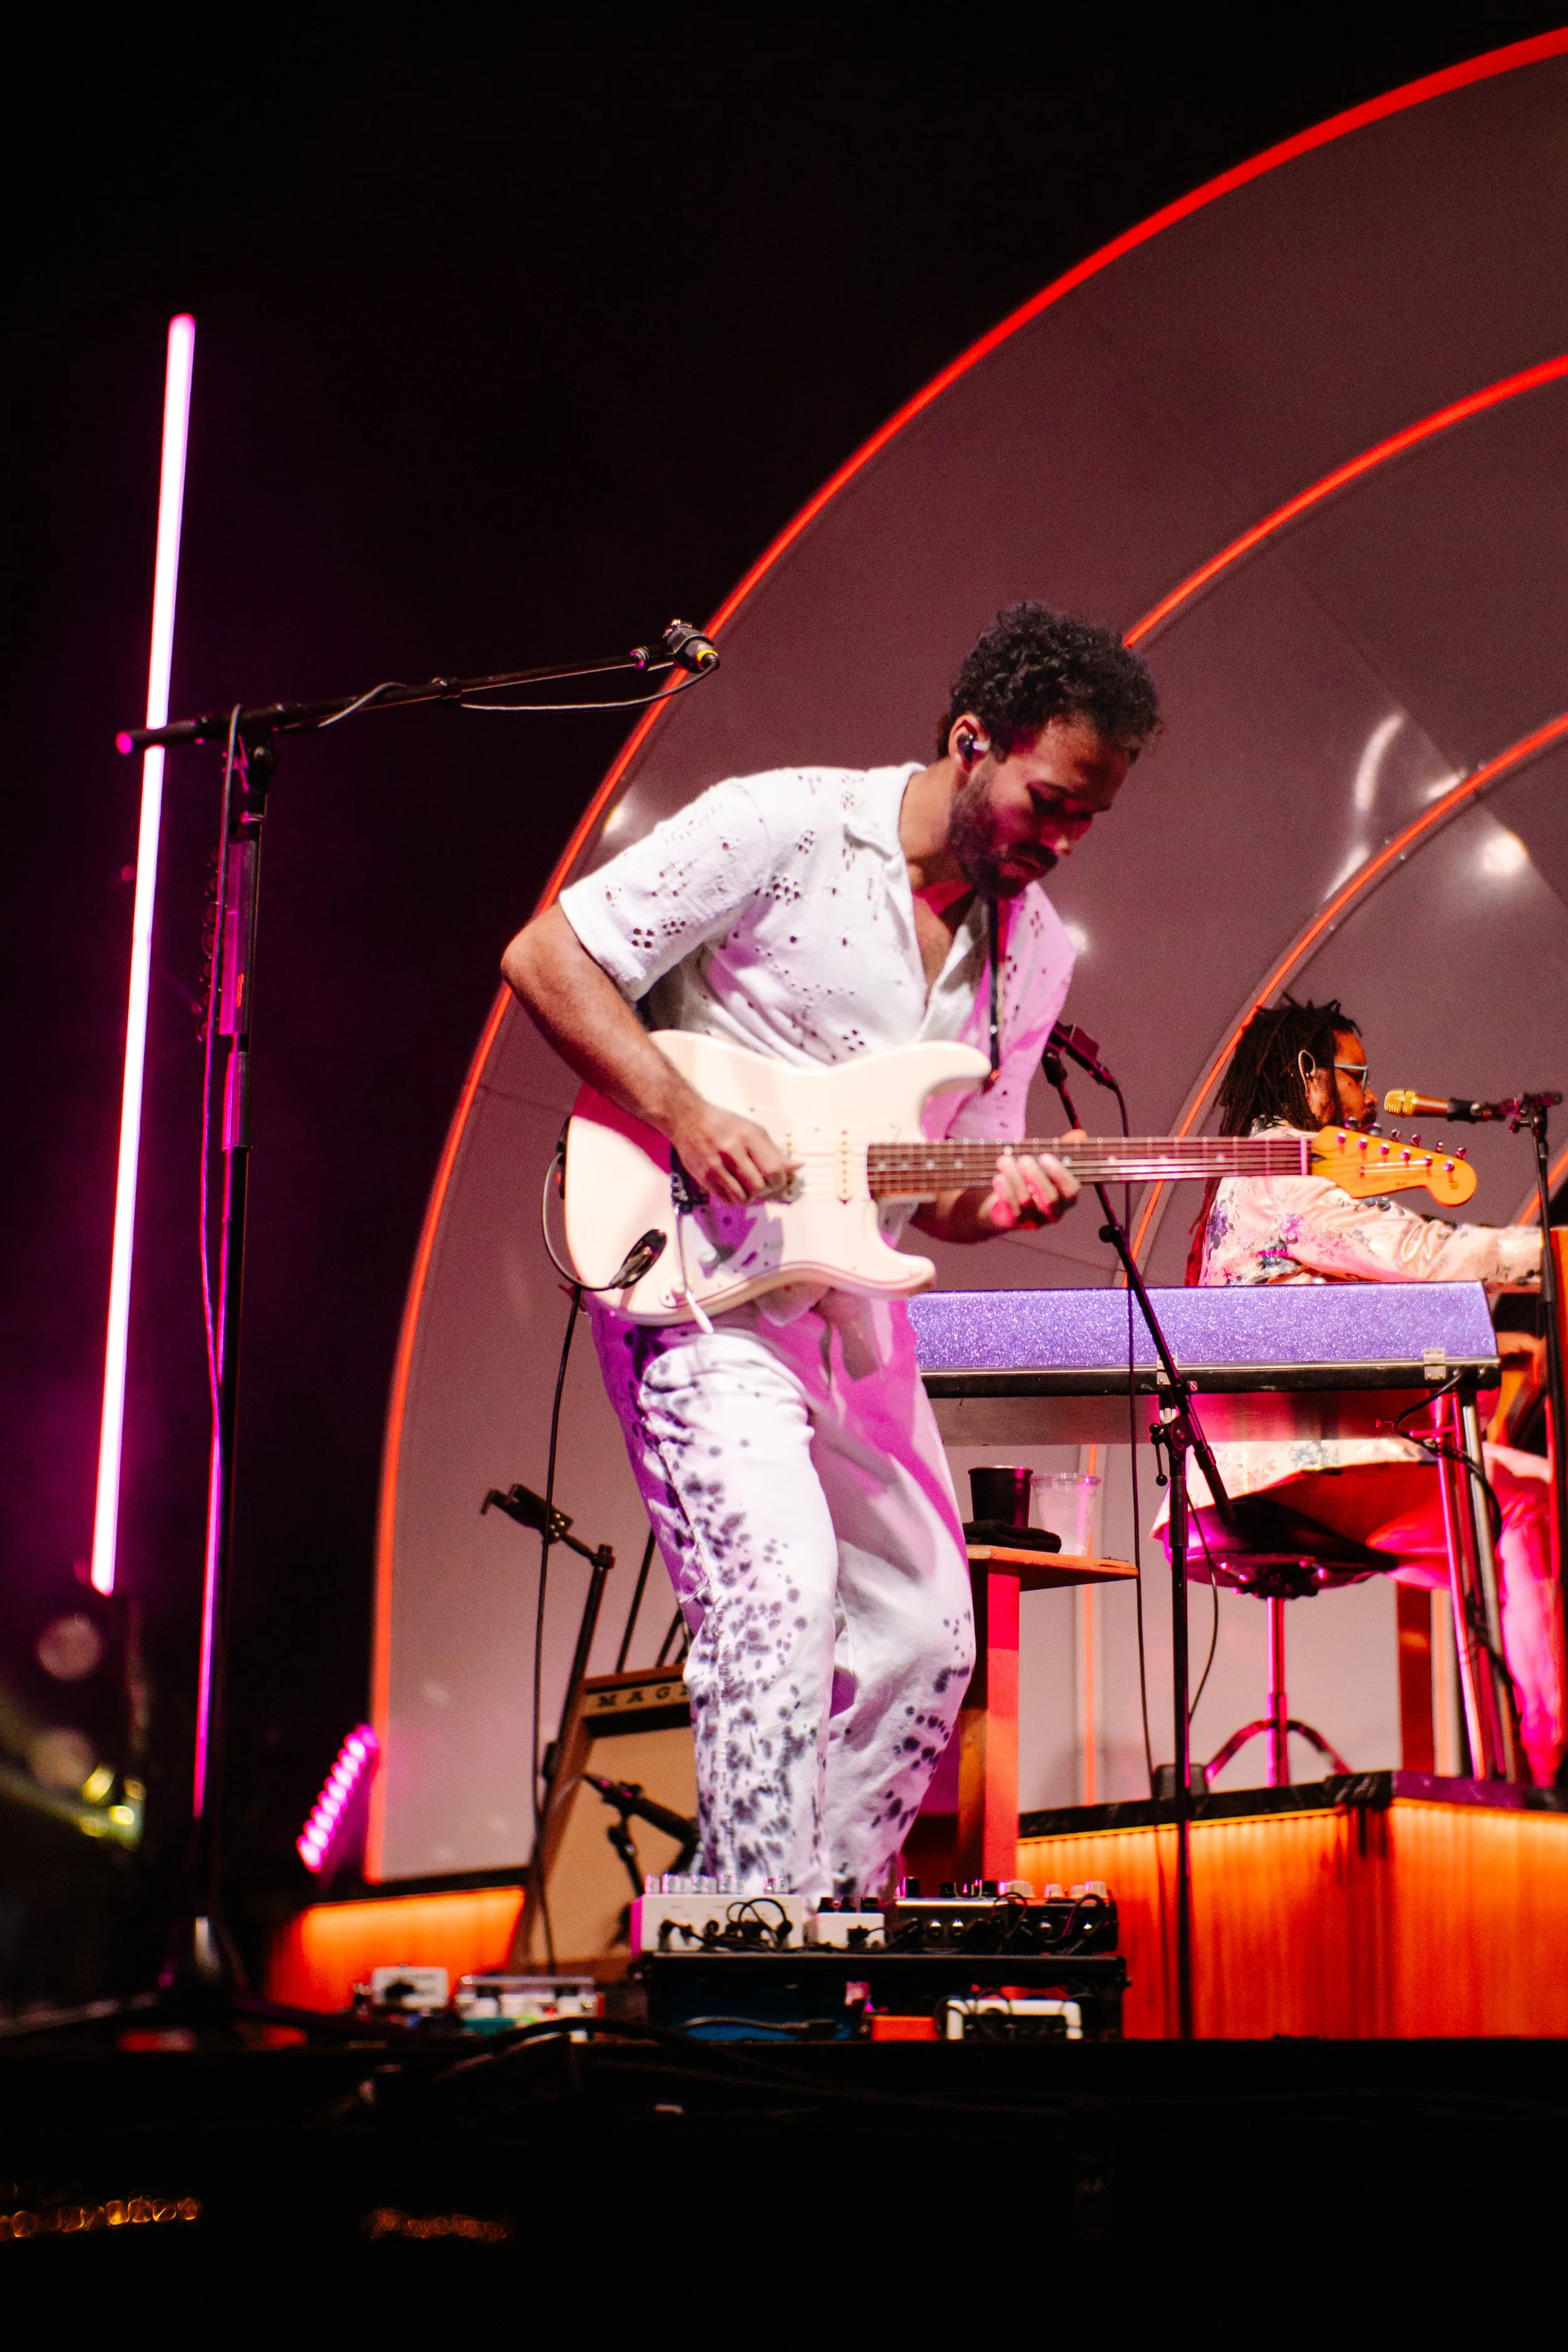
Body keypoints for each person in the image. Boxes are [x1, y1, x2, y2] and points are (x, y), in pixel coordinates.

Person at [503, 603, 1160, 1900]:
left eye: (1089, 819)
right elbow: (547, 958)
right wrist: (683, 1111)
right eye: (1047, 802)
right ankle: (756, 1946)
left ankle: (819, 1926)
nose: (1062, 841)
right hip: (695, 1283)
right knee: (779, 1601)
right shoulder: (785, 826)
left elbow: (953, 1185)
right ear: (970, 741)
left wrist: (1007, 1203)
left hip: (847, 1314)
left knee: (929, 1635)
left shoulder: (1034, 953)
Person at [1182, 996, 1563, 1784]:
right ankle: (1546, 1764)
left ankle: (1514, 1757)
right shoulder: (1282, 1172)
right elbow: (1417, 1255)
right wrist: (1549, 1253)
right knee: (1526, 1500)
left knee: (1493, 1522)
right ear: (1308, 1074)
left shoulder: (1249, 1174)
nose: (1367, 1097)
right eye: (1354, 1075)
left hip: (1253, 1462)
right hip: (1280, 1468)